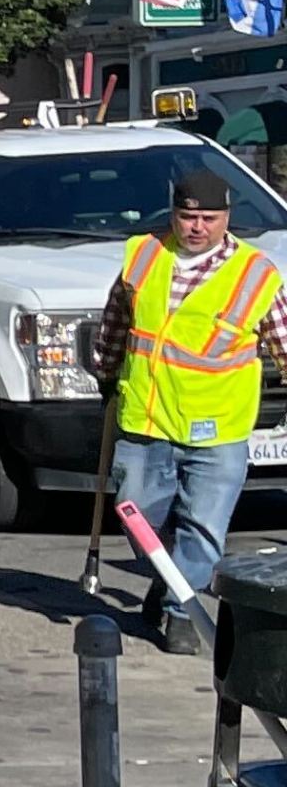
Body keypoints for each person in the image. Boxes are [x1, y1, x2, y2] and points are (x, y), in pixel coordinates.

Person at [96, 161, 287, 653]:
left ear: (226, 219)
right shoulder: (143, 257)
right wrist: (105, 370)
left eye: (208, 219)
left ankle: (182, 613)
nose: (197, 227)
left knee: (203, 529)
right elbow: (118, 320)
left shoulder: (255, 275)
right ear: (174, 216)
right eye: (187, 217)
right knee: (136, 517)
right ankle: (169, 577)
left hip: (218, 430)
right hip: (146, 421)